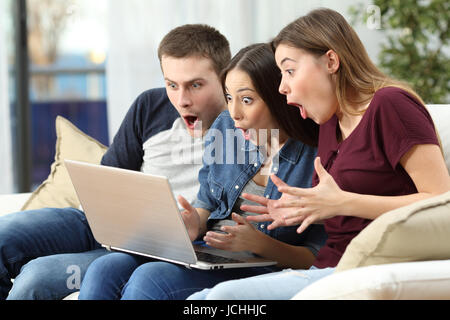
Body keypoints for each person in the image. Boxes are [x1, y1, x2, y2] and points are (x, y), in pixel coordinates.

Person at [187, 8, 450, 300]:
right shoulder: (329, 123)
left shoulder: (390, 105)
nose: (282, 86)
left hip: (368, 269)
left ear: (331, 61)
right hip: (327, 267)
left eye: (289, 71)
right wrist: (305, 208)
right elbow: (342, 212)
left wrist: (343, 202)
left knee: (223, 299)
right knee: (198, 301)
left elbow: (441, 202)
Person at [78, 43, 327, 300]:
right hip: (211, 250)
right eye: (229, 98)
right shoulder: (226, 129)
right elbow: (207, 204)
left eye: (247, 100)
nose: (234, 113)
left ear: (279, 98)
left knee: (151, 280)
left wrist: (259, 244)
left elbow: (317, 255)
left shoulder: (317, 155)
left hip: (262, 265)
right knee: (104, 268)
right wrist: (192, 223)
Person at [0, 24, 230, 300]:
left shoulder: (245, 129)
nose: (181, 100)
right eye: (171, 84)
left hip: (159, 248)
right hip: (100, 222)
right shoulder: (150, 106)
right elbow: (109, 176)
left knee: (36, 278)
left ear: (224, 78)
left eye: (195, 85)